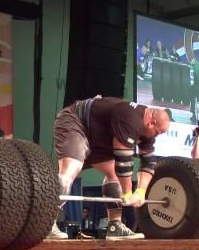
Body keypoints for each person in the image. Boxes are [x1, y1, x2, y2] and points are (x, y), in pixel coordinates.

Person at [50, 96, 171, 240]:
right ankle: (47, 224)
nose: (157, 136)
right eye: (158, 132)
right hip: (76, 122)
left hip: (98, 138)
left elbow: (149, 162)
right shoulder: (130, 117)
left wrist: (141, 191)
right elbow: (123, 161)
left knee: (114, 175)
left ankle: (115, 226)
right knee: (71, 168)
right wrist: (127, 194)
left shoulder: (147, 132)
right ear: (151, 122)